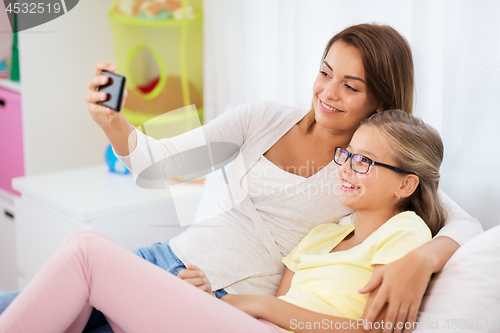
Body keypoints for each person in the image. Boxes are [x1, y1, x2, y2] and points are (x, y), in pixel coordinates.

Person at [0, 23, 483, 333]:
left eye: (351, 86)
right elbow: (160, 163)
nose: (328, 92)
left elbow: (462, 222)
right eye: (325, 72)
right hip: (167, 260)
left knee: (62, 281)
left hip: (219, 299)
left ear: (380, 101)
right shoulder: (262, 119)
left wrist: (421, 261)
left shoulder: (369, 171)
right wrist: (112, 122)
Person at [0, 110, 447, 333]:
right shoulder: (324, 233)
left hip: (246, 318)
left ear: (406, 186)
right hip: (231, 316)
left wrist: (260, 307)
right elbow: (271, 302)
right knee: (67, 291)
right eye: (347, 156)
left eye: (365, 162)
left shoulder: (407, 234)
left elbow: (376, 331)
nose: (346, 169)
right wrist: (215, 303)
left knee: (85, 249)